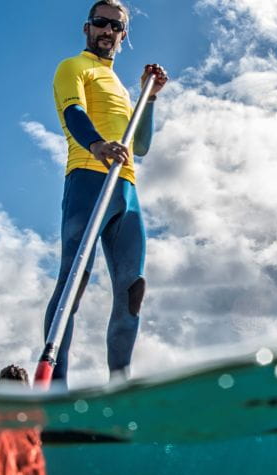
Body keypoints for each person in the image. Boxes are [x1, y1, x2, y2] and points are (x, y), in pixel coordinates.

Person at [43, 0, 168, 383]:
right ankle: (55, 387)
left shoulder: (118, 85)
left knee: (133, 290)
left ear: (123, 35)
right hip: (88, 179)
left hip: (126, 189)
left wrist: (150, 98)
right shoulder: (73, 67)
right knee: (74, 281)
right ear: (87, 27)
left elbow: (141, 144)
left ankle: (119, 386)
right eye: (101, 23)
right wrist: (97, 146)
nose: (107, 31)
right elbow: (73, 113)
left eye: (116, 27)